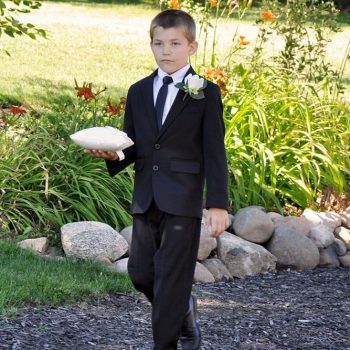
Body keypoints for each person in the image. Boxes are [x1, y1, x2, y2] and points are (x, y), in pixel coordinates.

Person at [86, 9, 229, 350]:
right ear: (151, 45)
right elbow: (131, 143)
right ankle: (184, 310)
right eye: (158, 43)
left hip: (183, 198)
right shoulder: (138, 92)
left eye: (175, 43)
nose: (166, 51)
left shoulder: (205, 93)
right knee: (141, 273)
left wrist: (218, 204)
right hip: (146, 196)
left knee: (171, 280)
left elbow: (214, 151)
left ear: (192, 47)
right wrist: (115, 155)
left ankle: (167, 341)